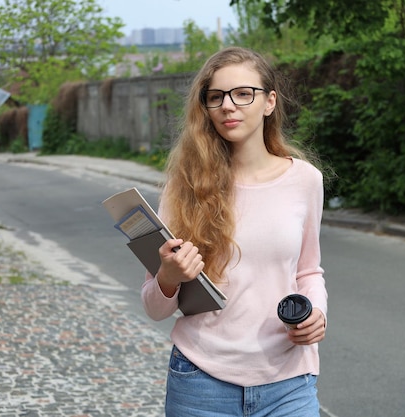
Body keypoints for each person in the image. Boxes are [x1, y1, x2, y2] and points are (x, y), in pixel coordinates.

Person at [141, 46, 328, 417]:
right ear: (206, 109)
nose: (229, 105)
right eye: (216, 97)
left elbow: (308, 271)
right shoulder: (184, 186)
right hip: (201, 381)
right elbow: (154, 306)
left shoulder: (305, 180)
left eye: (244, 94)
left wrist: (317, 312)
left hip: (290, 381)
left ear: (269, 102)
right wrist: (168, 277)